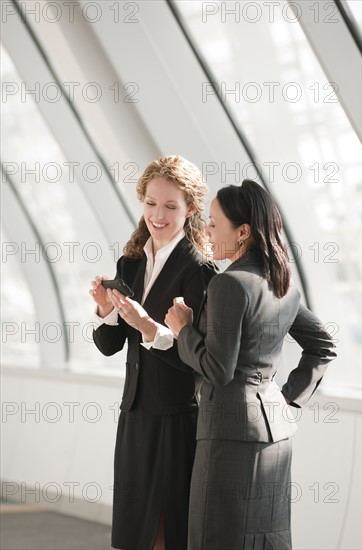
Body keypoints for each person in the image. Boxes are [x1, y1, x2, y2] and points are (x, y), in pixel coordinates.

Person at [165, 179, 337, 550]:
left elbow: (218, 369)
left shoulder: (229, 283)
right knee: (263, 538)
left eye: (213, 222)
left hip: (228, 436)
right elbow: (323, 346)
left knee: (214, 537)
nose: (207, 231)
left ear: (243, 232)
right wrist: (285, 403)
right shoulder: (283, 283)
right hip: (274, 434)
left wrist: (183, 330)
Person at [89, 155, 217, 550]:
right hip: (134, 414)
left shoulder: (200, 270)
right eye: (150, 203)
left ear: (191, 208)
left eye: (170, 206)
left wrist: (150, 328)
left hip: (176, 417)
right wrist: (107, 311)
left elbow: (199, 361)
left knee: (165, 531)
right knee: (132, 532)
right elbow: (109, 346)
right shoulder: (129, 263)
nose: (157, 215)